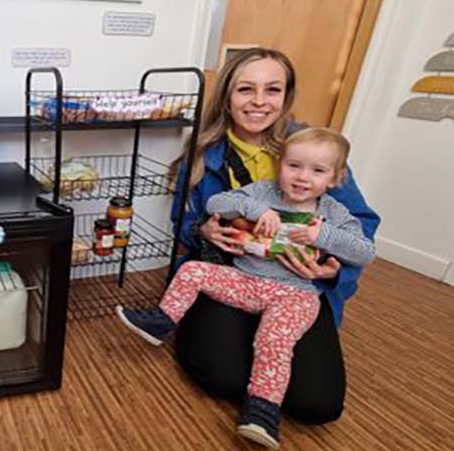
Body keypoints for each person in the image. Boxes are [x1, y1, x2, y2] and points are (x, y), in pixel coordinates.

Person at [117, 48, 380, 425]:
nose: (259, 101)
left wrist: (331, 271)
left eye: (272, 90)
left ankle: (266, 360)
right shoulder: (203, 154)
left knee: (316, 405)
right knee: (224, 379)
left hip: (298, 287)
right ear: (227, 95)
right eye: (246, 90)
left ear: (285, 96)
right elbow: (184, 222)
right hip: (234, 273)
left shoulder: (315, 152)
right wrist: (202, 229)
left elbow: (361, 232)